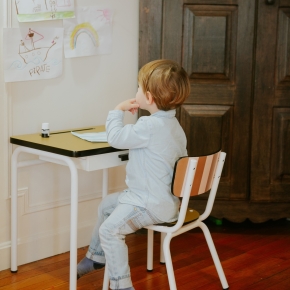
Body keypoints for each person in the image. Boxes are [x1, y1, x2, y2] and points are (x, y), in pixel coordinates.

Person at [77, 59, 191, 290]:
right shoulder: (174, 126)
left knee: (110, 230)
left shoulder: (148, 126)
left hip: (148, 203)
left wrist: (117, 111)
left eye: (138, 88)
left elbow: (116, 138)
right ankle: (95, 257)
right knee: (107, 206)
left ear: (148, 98)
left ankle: (122, 286)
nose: (136, 92)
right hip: (167, 202)